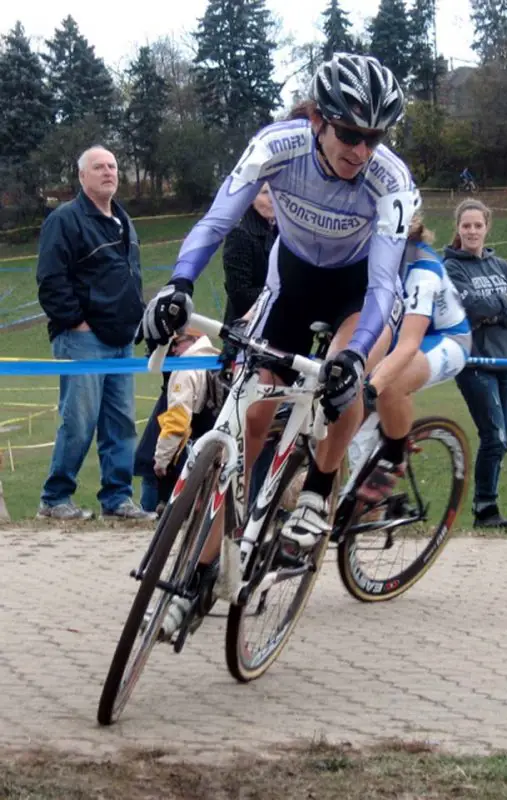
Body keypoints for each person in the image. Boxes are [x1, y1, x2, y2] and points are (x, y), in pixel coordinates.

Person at [138, 53, 417, 565]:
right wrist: (177, 285)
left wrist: (356, 357)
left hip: (358, 290)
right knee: (253, 415)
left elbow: (383, 283)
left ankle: (317, 489)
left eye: (374, 138)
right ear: (315, 120)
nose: (361, 150)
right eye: (349, 133)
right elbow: (218, 219)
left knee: (343, 371)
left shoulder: (391, 180)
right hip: (291, 280)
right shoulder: (276, 145)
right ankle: (204, 565)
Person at [36, 145, 154, 521]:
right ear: (82, 176)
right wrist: (76, 322)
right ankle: (55, 499)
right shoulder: (65, 219)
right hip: (83, 338)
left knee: (121, 424)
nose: (108, 172)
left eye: (113, 166)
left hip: (122, 340)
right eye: (99, 167)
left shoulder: (124, 220)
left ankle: (117, 501)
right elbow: (51, 279)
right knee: (79, 420)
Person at [351, 211, 472, 503]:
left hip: (444, 338)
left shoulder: (422, 267)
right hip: (394, 334)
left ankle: (394, 456)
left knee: (390, 384)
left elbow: (408, 343)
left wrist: (371, 386)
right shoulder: (363, 255)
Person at [444, 199, 507, 529]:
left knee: (502, 438)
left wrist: (497, 310)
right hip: (475, 362)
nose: (471, 231)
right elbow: (469, 305)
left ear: (486, 227)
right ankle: (485, 509)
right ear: (458, 228)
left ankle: (487, 506)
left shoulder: (501, 265)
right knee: (494, 435)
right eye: (466, 225)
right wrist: (500, 305)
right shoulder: (451, 267)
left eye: (477, 225)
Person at [134, 327, 222, 514]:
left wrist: (161, 460)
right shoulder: (216, 360)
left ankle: (150, 510)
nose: (173, 350)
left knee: (152, 473)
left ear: (193, 339)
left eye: (177, 343)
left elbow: (177, 422)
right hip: (213, 453)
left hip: (185, 457)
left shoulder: (186, 369)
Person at [223, 182, 277, 325]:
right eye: (265, 193)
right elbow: (240, 295)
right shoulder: (240, 234)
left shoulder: (282, 231)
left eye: (275, 190)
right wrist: (282, 291)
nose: (272, 198)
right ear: (251, 198)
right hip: (246, 330)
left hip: (276, 324)